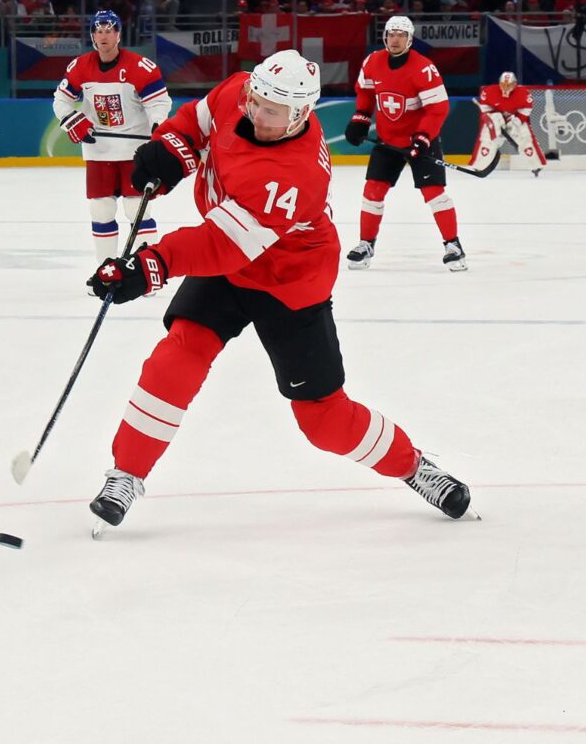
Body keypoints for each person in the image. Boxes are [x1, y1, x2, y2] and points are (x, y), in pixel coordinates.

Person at [82, 49, 473, 533]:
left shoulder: (295, 174)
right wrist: (171, 150)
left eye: (272, 110)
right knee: (177, 356)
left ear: (302, 116)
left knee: (323, 421)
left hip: (290, 280)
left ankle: (414, 466)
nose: (256, 111)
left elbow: (222, 246)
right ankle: (126, 474)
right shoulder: (242, 90)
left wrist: (149, 266)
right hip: (230, 261)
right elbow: (195, 123)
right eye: (256, 99)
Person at [342, 16, 463, 271]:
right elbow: (365, 92)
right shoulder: (372, 61)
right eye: (391, 34)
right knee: (372, 192)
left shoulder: (424, 68)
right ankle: (366, 244)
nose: (395, 39)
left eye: (401, 35)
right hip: (388, 140)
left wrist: (422, 138)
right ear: (385, 36)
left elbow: (438, 108)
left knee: (434, 194)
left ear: (410, 40)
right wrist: (361, 118)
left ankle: (453, 246)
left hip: (420, 140)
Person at [53, 9, 172, 262]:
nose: (104, 36)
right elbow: (60, 101)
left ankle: (143, 272)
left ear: (118, 35)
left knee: (137, 208)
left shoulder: (141, 67)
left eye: (109, 30)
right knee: (101, 209)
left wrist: (157, 127)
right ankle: (105, 270)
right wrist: (72, 120)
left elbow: (159, 103)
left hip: (134, 151)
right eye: (99, 31)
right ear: (93, 36)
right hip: (98, 150)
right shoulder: (80, 67)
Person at [470, 71, 546, 176]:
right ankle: (479, 165)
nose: (505, 87)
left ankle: (535, 165)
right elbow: (485, 109)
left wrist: (518, 120)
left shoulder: (524, 93)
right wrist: (493, 117)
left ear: (515, 84)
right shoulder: (489, 91)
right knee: (487, 138)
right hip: (496, 120)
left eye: (508, 85)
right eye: (503, 84)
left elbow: (526, 109)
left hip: (514, 119)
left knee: (525, 137)